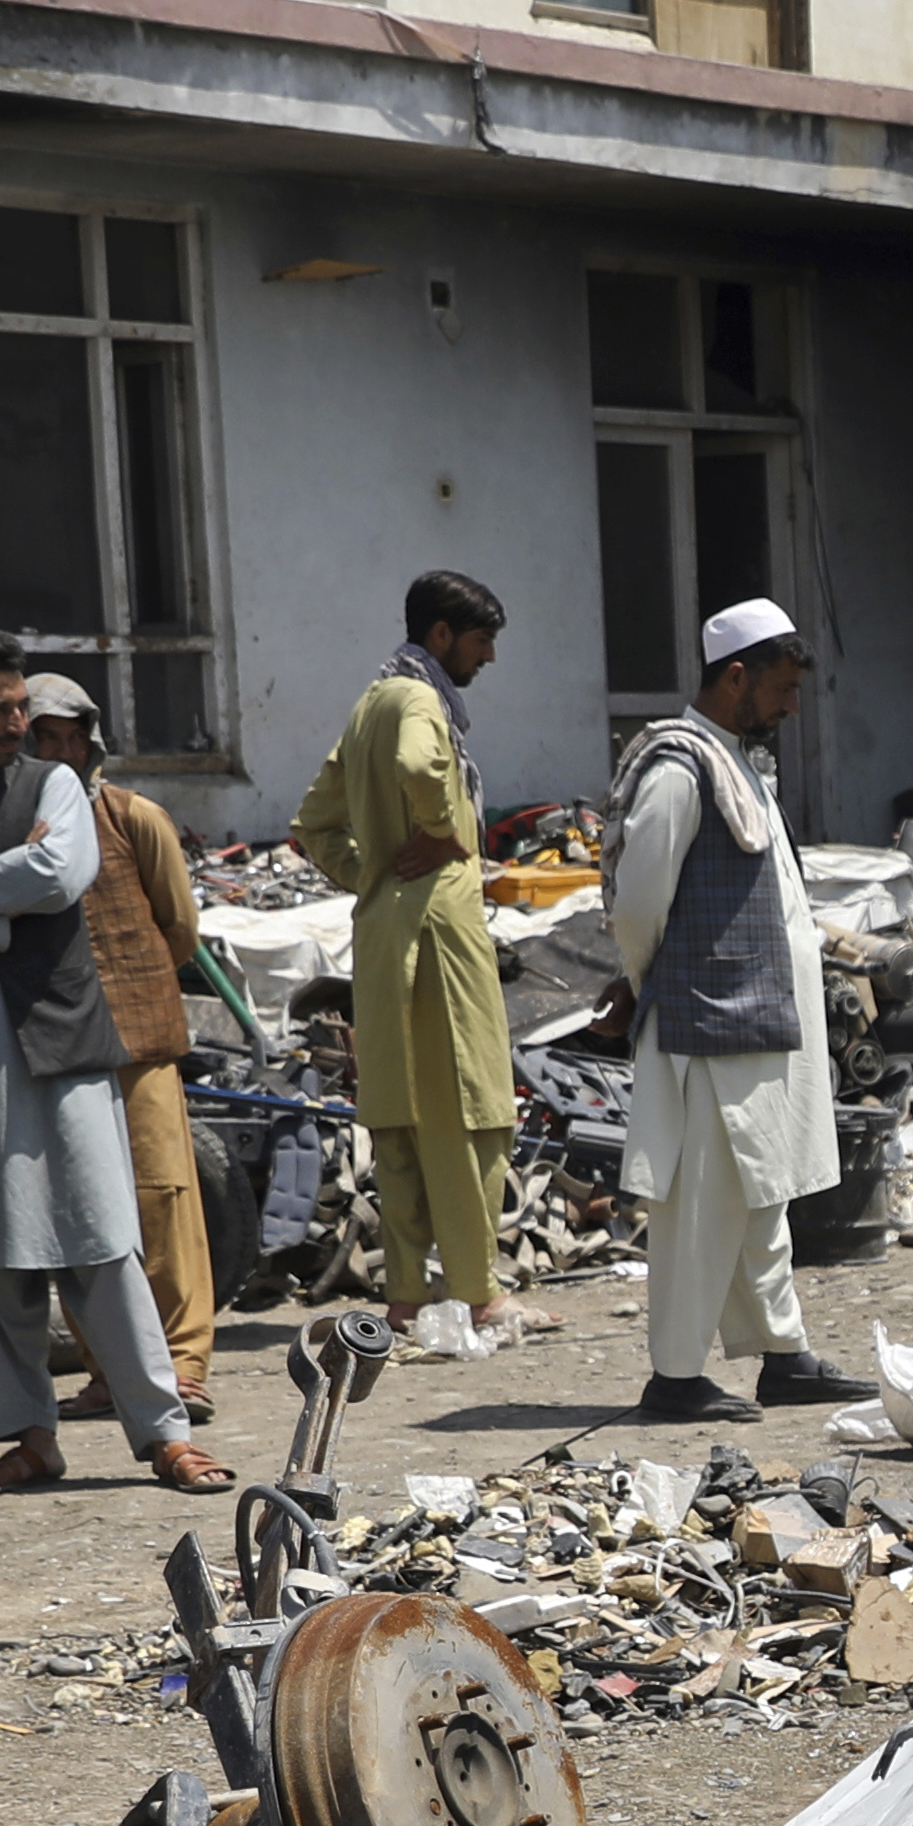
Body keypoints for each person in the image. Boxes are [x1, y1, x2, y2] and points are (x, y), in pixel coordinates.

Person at [0, 633, 224, 1497]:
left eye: (22, 706)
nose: (18, 723)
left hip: (56, 1042)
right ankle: (29, 1437)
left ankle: (165, 1434)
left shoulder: (55, 784)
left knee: (100, 1239)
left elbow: (61, 875)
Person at [607, 595, 864, 1420]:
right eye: (782, 689)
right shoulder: (682, 766)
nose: (792, 707)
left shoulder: (734, 758)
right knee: (702, 1203)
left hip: (752, 1019)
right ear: (736, 676)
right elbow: (638, 900)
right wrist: (656, 983)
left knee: (762, 1196)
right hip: (706, 1023)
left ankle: (783, 1356)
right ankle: (675, 1377)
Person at [284, 574, 521, 1352]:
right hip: (440, 931)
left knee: (399, 1118)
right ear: (443, 636)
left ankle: (407, 1299)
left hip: (386, 934)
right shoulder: (420, 704)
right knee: (469, 1111)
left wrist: (374, 876)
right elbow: (425, 769)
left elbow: (313, 824)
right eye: (480, 642)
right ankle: (482, 1298)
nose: (487, 658)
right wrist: (447, 832)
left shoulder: (369, 703)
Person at [21, 676, 220, 1421]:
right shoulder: (11, 829)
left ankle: (184, 1366)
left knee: (164, 1200)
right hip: (57, 1050)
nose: (64, 752)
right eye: (48, 738)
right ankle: (110, 1369)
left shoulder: (134, 818)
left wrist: (124, 992)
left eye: (75, 737)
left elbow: (178, 930)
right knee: (82, 1212)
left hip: (139, 1043)